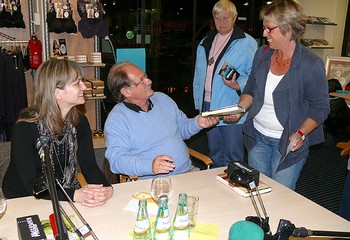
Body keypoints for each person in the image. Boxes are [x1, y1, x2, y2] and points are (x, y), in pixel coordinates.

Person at [224, 0, 330, 190]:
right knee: (258, 190)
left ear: (288, 29)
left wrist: (301, 132)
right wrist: (240, 109)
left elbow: (321, 108)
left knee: (280, 196)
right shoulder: (262, 54)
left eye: (269, 29)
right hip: (258, 138)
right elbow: (250, 90)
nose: (264, 34)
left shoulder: (310, 64)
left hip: (288, 145)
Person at [2, 59, 113, 207]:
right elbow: (32, 184)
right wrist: (75, 194)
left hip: (65, 195)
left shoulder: (80, 122)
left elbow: (89, 166)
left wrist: (107, 189)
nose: (84, 87)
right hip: (24, 199)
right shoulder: (26, 127)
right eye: (77, 83)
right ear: (56, 92)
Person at [104, 62, 219, 179]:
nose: (149, 81)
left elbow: (182, 129)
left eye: (146, 76)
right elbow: (116, 160)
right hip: (152, 183)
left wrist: (198, 123)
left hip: (188, 173)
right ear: (126, 91)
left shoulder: (162, 99)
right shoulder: (117, 119)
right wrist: (150, 166)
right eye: (142, 81)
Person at [192, 0, 258, 168]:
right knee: (214, 152)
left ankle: (233, 186)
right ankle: (216, 187)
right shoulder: (205, 42)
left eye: (225, 18)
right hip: (207, 104)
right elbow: (199, 75)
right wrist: (198, 103)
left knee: (233, 155)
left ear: (235, 18)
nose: (221, 22)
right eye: (217, 18)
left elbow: (255, 75)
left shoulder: (247, 42)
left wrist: (238, 85)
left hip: (231, 105)